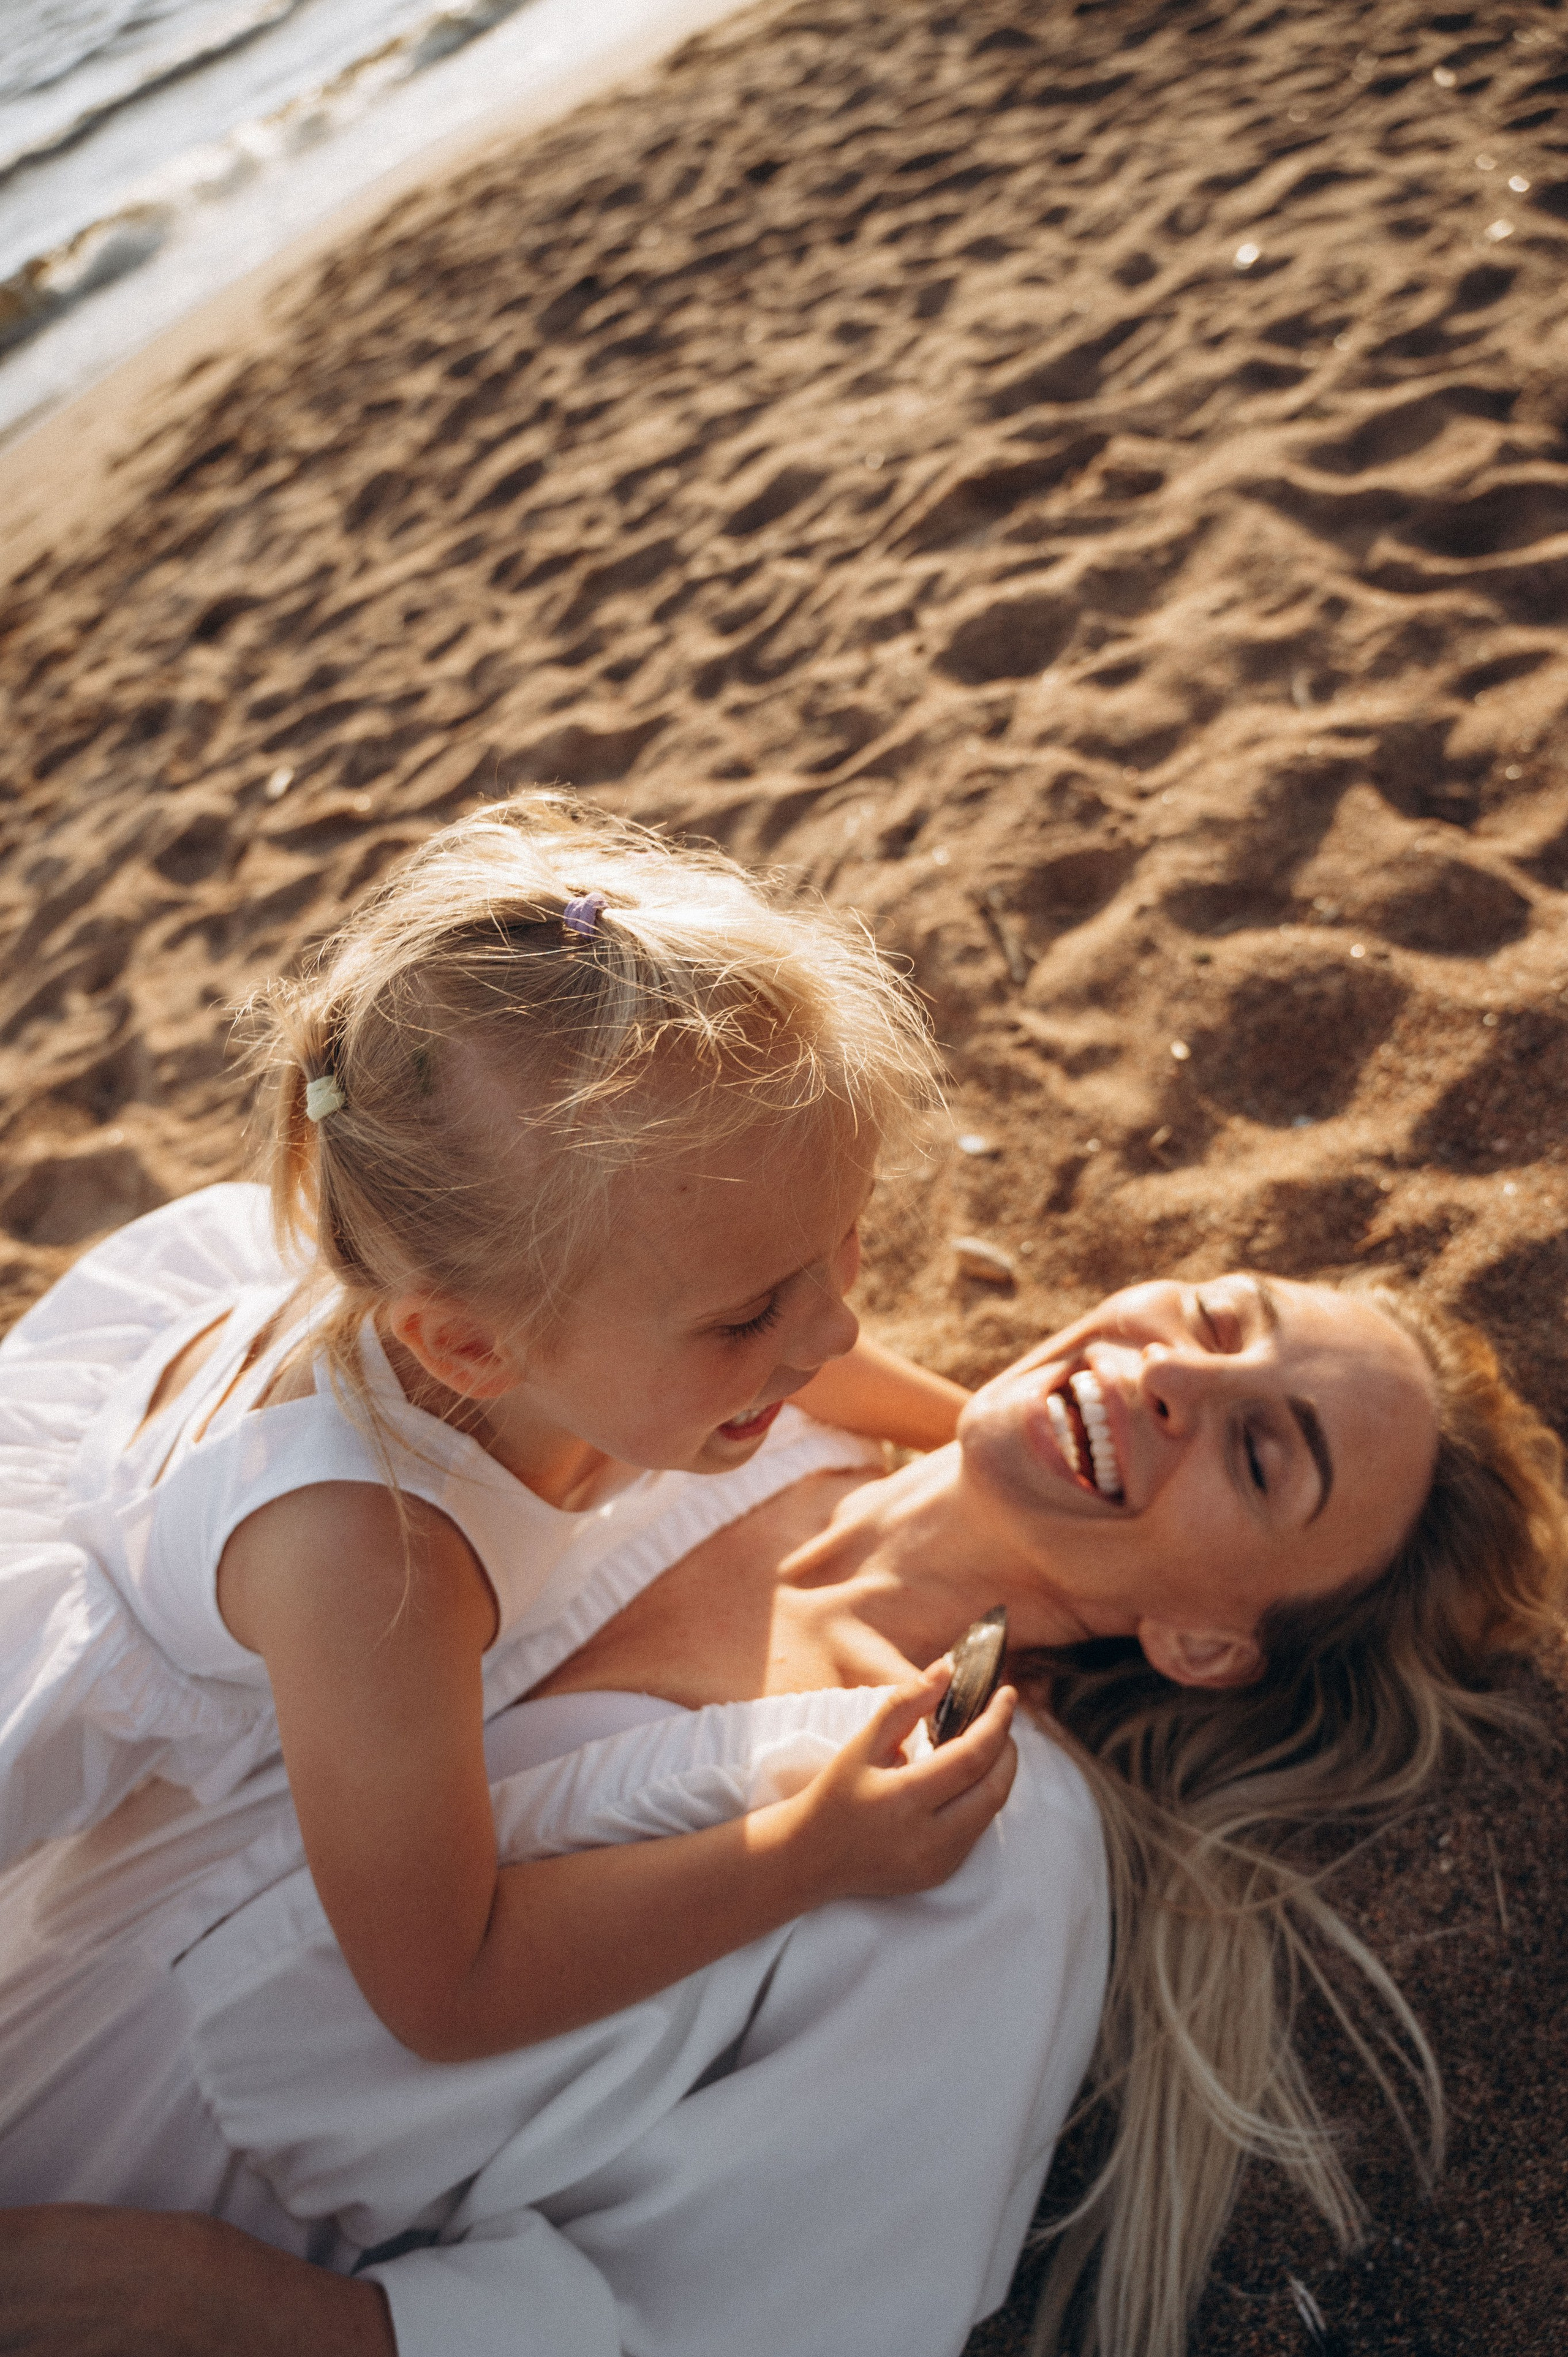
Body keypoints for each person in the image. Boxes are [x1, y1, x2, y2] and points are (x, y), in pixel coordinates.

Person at [1, 1250, 1562, 2357]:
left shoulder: (969, 1834)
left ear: (1205, 1641)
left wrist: (252, 2325)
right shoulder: (724, 1384)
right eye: (1218, 1318)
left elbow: (771, 2312)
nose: (1173, 1375)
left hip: (95, 2215)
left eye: (1257, 1451)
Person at [0, 791, 1018, 2074]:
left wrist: (974, 1425)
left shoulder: (580, 1294)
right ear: (473, 1349)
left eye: (840, 1244)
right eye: (750, 1313)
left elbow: (810, 1339)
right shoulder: (376, 1565)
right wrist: (811, 1853)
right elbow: (445, 1984)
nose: (826, 1333)